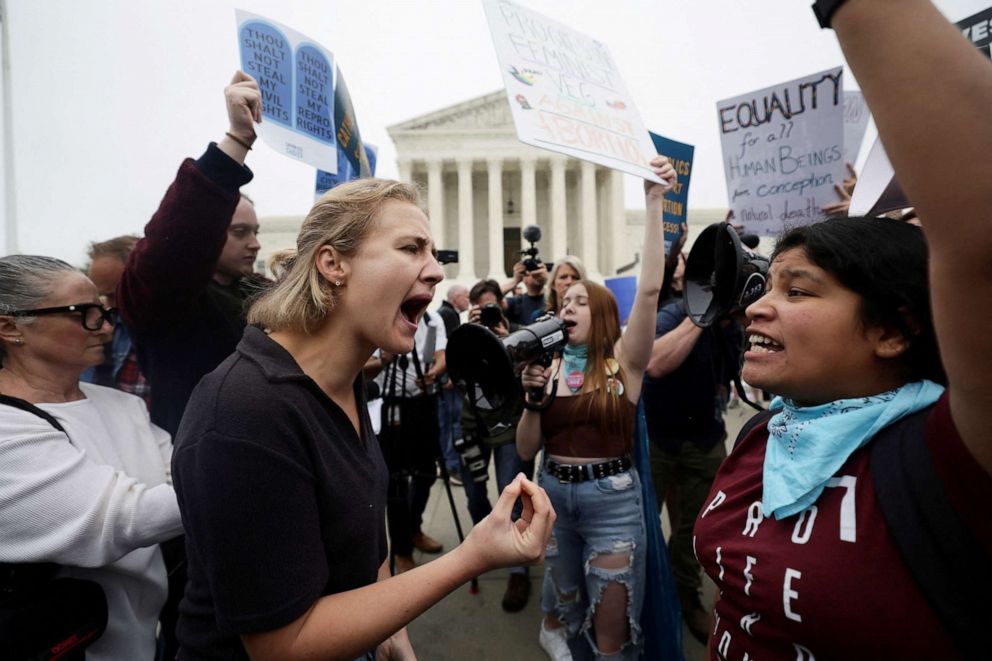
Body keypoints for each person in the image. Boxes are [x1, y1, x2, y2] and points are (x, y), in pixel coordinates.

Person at [693, 2, 992, 658]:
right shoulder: (762, 433)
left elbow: (979, 246)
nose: (756, 309)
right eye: (765, 285)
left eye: (796, 289)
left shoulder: (953, 453)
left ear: (893, 329)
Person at [171, 177, 556, 660]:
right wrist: (472, 557)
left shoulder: (343, 383)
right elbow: (283, 645)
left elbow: (365, 537)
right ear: (333, 264)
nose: (436, 271)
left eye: (433, 253)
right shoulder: (244, 415)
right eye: (411, 248)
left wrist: (392, 635)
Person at [516, 156, 677, 661]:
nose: (568, 306)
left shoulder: (624, 363)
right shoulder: (551, 367)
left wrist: (654, 203)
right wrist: (532, 399)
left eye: (581, 301)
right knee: (567, 615)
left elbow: (650, 288)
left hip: (612, 505)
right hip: (555, 501)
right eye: (565, 301)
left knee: (612, 634)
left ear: (604, 313)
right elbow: (526, 449)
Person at [0, 255, 183, 660]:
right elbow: (118, 520)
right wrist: (247, 474)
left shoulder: (122, 405)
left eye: (104, 311)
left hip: (142, 642)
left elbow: (179, 479)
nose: (104, 326)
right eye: (81, 313)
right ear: (9, 327)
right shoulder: (5, 426)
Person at [118, 71, 263, 438]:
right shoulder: (167, 302)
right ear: (210, 232)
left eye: (256, 231)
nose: (256, 244)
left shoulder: (259, 293)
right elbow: (177, 245)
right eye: (240, 232)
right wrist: (237, 141)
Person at [642, 294, 743, 645]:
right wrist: (701, 316)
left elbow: (738, 372)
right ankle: (642, 594)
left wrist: (732, 322)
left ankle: (685, 591)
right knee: (641, 523)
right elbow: (655, 363)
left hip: (704, 438)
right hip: (659, 438)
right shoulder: (674, 314)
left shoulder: (730, 323)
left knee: (697, 527)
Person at [458, 278, 533, 612]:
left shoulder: (518, 334)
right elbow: (454, 379)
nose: (489, 313)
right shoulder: (467, 338)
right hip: (474, 427)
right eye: (482, 309)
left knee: (512, 493)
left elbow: (531, 376)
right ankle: (488, 544)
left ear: (502, 304)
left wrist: (508, 346)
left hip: (508, 429)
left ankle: (518, 568)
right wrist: (468, 336)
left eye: (493, 306)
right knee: (475, 496)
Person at [375, 309, 448, 573]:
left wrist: (434, 373)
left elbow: (442, 356)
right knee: (395, 480)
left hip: (423, 402)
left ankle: (413, 527)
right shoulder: (382, 315)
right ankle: (402, 549)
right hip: (390, 404)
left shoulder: (432, 319)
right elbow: (362, 366)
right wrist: (385, 358)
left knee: (427, 472)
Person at [81, 235, 151, 405]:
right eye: (103, 296)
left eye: (116, 294)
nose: (111, 306)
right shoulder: (104, 326)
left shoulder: (175, 329)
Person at [437, 284, 470, 481]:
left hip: (447, 376)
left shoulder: (445, 313)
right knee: (453, 422)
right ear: (456, 298)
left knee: (448, 422)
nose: (468, 299)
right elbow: (450, 347)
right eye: (466, 296)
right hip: (450, 378)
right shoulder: (449, 315)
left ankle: (447, 463)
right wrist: (452, 374)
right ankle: (452, 465)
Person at [504, 261, 549, 325]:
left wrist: (549, 280)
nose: (535, 273)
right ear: (524, 278)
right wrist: (514, 281)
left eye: (538, 269)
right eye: (530, 270)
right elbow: (491, 299)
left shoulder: (553, 300)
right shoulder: (517, 302)